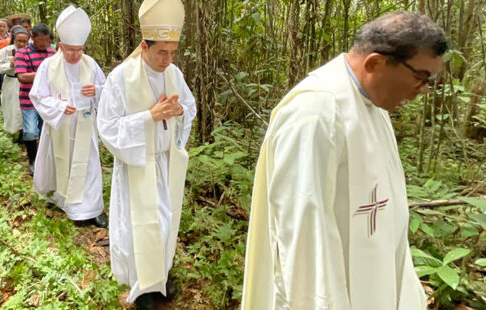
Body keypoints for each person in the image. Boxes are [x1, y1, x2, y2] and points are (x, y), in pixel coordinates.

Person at [240, 11, 447, 310]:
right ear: (375, 63)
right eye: (420, 77)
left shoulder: (374, 106)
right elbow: (303, 238)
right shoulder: (315, 112)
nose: (424, 90)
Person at [96, 0, 196, 308]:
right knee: (141, 228)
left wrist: (180, 112)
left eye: (173, 51)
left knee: (165, 224)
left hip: (165, 163)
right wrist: (148, 117)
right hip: (138, 165)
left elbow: (189, 108)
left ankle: (160, 275)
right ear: (144, 45)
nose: (167, 59)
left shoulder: (175, 74)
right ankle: (143, 289)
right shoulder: (120, 78)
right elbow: (107, 127)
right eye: (161, 52)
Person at [29, 6, 107, 228]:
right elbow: (39, 95)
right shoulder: (48, 66)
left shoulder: (90, 64)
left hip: (84, 126)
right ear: (60, 46)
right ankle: (66, 204)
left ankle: (92, 209)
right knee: (62, 164)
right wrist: (60, 106)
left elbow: (108, 90)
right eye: (70, 50)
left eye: (79, 50)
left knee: (89, 165)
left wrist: (97, 91)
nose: (75, 55)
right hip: (60, 126)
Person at [14, 24, 56, 175]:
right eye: (40, 41)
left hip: (49, 100)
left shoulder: (53, 52)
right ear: (32, 38)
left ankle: (46, 161)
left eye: (46, 41)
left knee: (48, 131)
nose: (44, 44)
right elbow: (22, 77)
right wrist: (45, 73)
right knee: (31, 132)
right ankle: (32, 160)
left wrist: (36, 74)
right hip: (28, 100)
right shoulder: (22, 53)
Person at [0, 26, 29, 136]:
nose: (22, 44)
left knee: (25, 109)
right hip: (11, 82)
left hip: (27, 83)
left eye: (24, 41)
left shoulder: (30, 51)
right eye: (19, 41)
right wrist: (10, 65)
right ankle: (14, 132)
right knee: (12, 108)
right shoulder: (6, 51)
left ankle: (25, 133)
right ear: (14, 39)